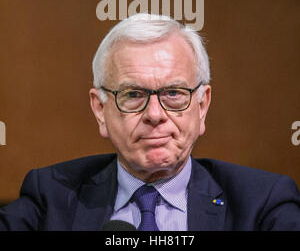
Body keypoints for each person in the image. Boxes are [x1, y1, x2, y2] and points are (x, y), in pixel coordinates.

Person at [0, 13, 300, 231]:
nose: (154, 114)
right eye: (133, 94)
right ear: (100, 109)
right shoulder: (50, 197)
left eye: (173, 93)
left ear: (202, 105)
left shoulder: (263, 204)